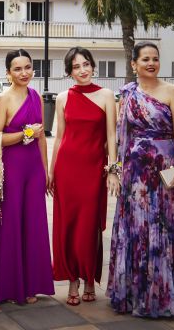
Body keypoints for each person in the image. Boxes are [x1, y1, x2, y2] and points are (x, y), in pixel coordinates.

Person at [107, 41, 174, 317]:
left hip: (164, 170)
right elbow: (120, 134)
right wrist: (117, 169)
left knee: (165, 226)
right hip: (135, 173)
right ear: (134, 64)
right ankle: (134, 292)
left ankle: (166, 294)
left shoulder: (172, 92)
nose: (151, 63)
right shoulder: (127, 94)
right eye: (145, 58)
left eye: (155, 59)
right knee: (136, 229)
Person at [48, 47, 117, 306]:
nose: (83, 70)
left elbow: (112, 137)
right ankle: (73, 281)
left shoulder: (107, 95)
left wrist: (113, 170)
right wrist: (51, 171)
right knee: (68, 225)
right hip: (67, 168)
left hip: (93, 169)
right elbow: (59, 138)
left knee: (89, 225)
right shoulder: (63, 97)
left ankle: (90, 279)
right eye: (76, 67)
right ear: (69, 72)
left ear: (93, 66)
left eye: (86, 64)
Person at [0, 49, 54, 305]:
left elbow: (42, 140)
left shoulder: (36, 97)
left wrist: (46, 171)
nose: (24, 73)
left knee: (34, 225)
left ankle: (32, 284)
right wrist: (24, 134)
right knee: (12, 224)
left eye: (28, 67)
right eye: (17, 69)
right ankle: (12, 286)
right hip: (12, 170)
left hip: (34, 169)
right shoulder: (2, 100)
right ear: (8, 73)